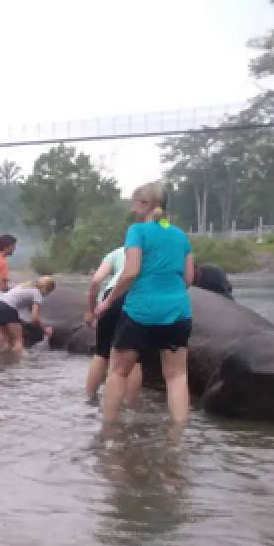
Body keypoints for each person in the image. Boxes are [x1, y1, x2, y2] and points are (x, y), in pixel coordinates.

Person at [92, 182, 194, 425]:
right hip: (178, 313)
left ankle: (109, 432)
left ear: (146, 204)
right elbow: (189, 278)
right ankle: (178, 439)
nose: (133, 206)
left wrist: (107, 302)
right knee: (177, 377)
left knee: (117, 371)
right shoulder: (180, 235)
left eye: (135, 201)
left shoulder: (137, 231)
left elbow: (130, 272)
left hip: (141, 313)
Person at [85, 245, 143, 403]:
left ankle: (89, 399)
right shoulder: (156, 251)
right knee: (135, 358)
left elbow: (96, 280)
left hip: (113, 296)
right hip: (140, 297)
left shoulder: (117, 252)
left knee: (102, 353)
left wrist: (91, 310)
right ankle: (129, 405)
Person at [0, 276, 56, 352]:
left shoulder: (24, 286)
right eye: (49, 292)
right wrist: (45, 328)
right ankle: (19, 363)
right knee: (18, 340)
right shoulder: (37, 293)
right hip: (6, 308)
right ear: (47, 289)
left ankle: (1, 362)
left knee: (5, 342)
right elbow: (34, 318)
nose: (47, 294)